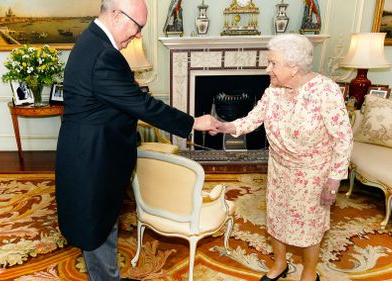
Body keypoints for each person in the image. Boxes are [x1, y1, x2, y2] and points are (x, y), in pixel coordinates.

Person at [55, 1, 219, 280]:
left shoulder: (92, 40)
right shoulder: (103, 55)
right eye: (138, 26)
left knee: (103, 220)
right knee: (97, 230)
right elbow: (143, 105)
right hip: (93, 159)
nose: (139, 34)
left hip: (90, 152)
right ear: (117, 15)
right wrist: (192, 123)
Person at [215, 34, 353, 281]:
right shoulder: (274, 91)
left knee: (309, 224)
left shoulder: (325, 91)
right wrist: (223, 126)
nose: (268, 68)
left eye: (273, 63)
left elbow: (343, 138)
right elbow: (251, 120)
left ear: (294, 67)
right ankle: (280, 264)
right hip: (279, 168)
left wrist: (334, 181)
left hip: (313, 172)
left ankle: (309, 272)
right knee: (277, 218)